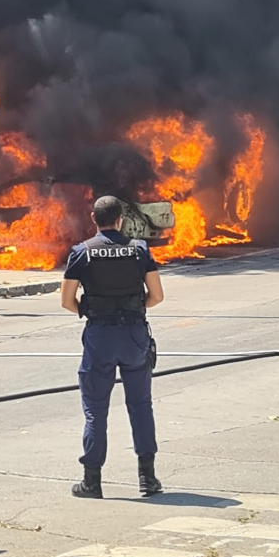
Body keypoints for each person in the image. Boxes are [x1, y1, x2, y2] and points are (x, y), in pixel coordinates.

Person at [61, 194, 164, 499]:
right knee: (141, 406)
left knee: (95, 411)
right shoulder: (139, 250)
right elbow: (157, 295)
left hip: (100, 337)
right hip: (133, 335)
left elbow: (67, 301)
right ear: (121, 219)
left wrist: (91, 311)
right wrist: (133, 311)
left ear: (94, 219)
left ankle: (92, 482)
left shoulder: (82, 253)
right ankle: (148, 479)